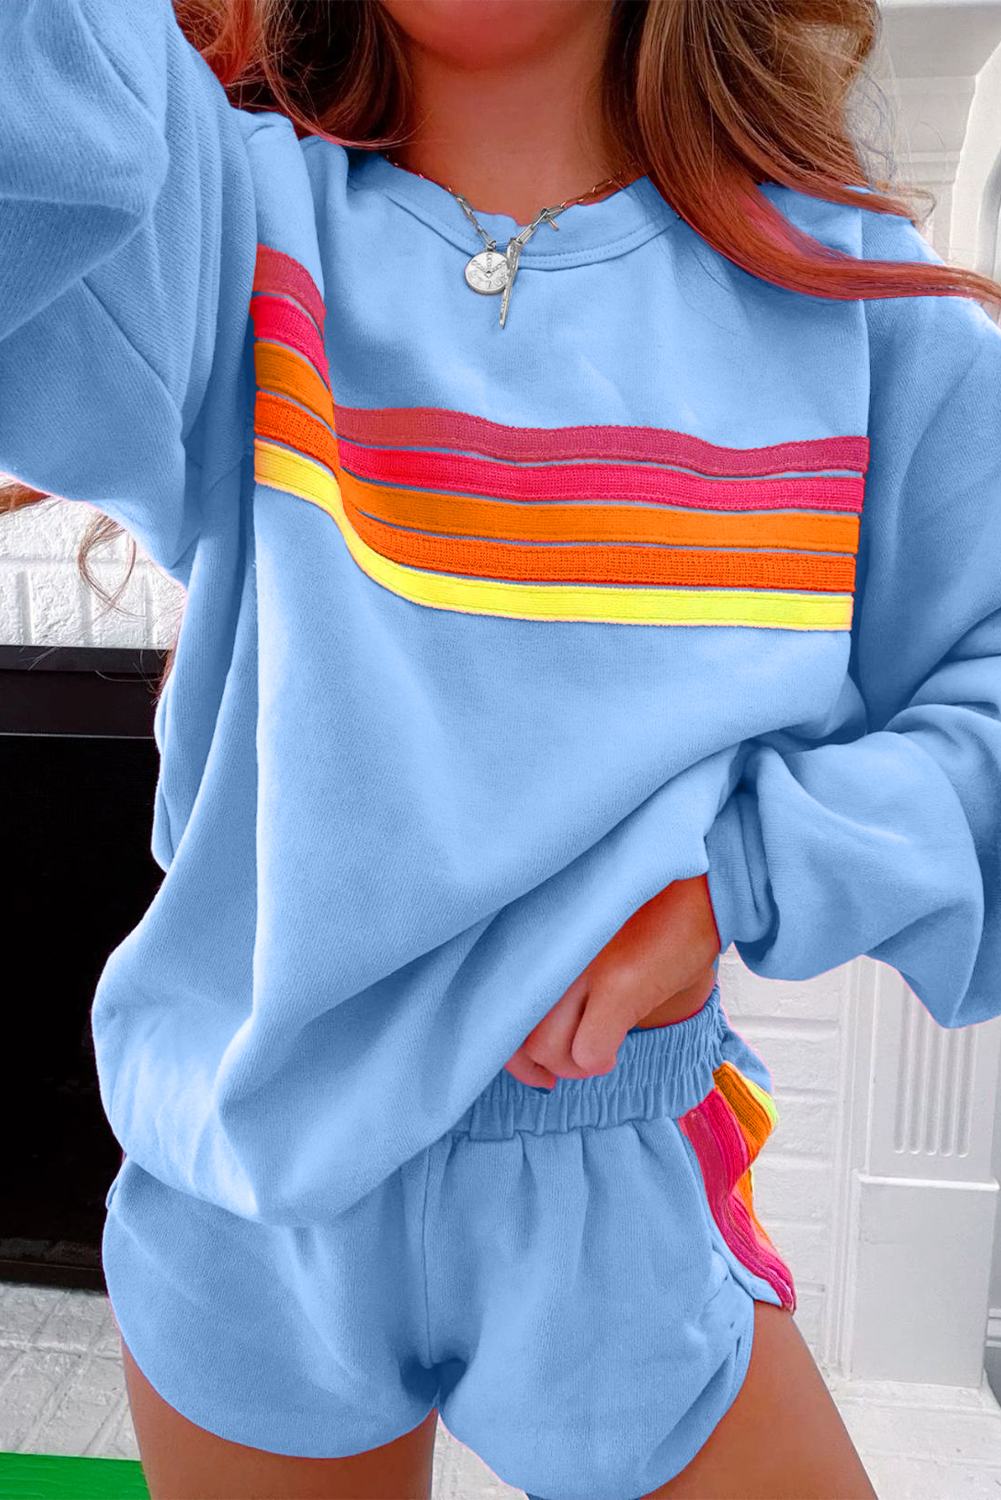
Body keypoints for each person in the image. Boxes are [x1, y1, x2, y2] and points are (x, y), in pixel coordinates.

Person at [3, 0, 1001, 1495]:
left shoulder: (850, 299)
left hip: (615, 1181)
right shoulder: (219, 223)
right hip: (247, 1199)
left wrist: (749, 872)